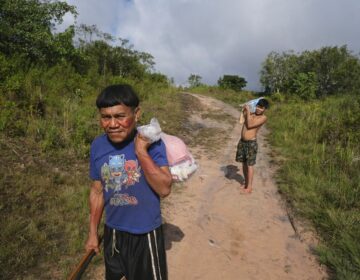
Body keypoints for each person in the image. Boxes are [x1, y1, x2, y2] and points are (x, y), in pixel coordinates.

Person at [85, 84, 172, 280]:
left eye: (120, 116)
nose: (113, 124)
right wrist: (92, 233)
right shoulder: (98, 146)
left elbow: (164, 188)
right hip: (113, 233)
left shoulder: (152, 143)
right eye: (106, 117)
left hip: (145, 234)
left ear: (137, 113)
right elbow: (97, 191)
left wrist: (140, 151)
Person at [235, 98, 269, 194]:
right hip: (242, 142)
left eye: (261, 108)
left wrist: (249, 111)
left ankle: (249, 188)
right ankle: (246, 183)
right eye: (258, 106)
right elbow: (241, 120)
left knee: (250, 165)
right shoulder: (252, 114)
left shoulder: (263, 118)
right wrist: (245, 109)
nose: (259, 109)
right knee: (244, 163)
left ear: (265, 109)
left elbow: (249, 125)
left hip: (251, 143)